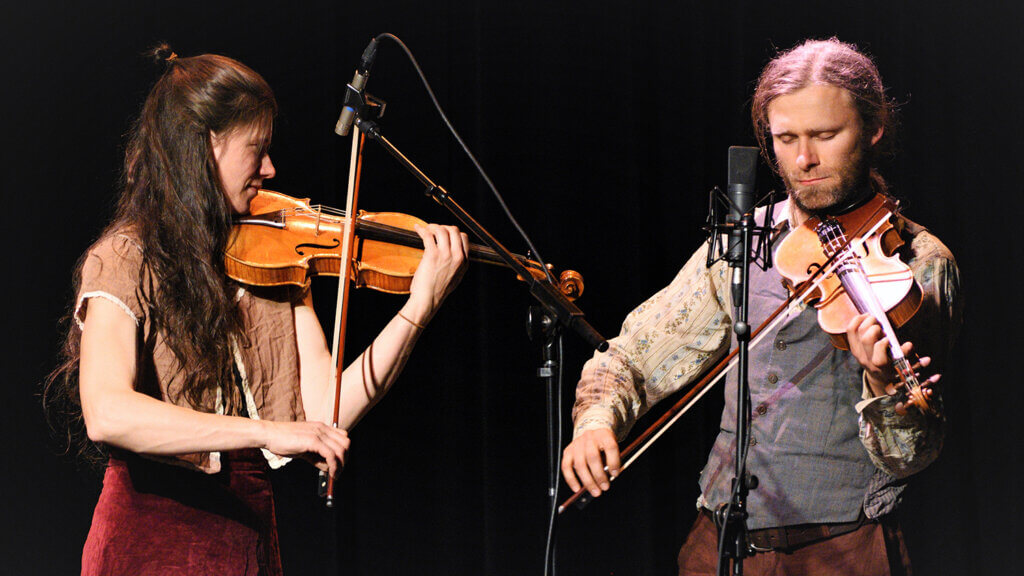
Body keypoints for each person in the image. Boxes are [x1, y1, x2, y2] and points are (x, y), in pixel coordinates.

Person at [44, 46, 468, 576]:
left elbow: (325, 412)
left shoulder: (276, 261)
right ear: (204, 145)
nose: (270, 168)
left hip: (246, 539)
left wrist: (418, 308)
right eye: (256, 149)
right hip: (150, 538)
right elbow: (107, 413)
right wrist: (262, 431)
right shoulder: (126, 255)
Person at [561, 38, 962, 575]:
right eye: (786, 139)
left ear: (872, 129)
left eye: (825, 135)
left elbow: (913, 454)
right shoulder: (741, 243)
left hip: (844, 550)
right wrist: (595, 421)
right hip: (719, 546)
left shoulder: (915, 263)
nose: (803, 160)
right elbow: (634, 355)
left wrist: (884, 381)